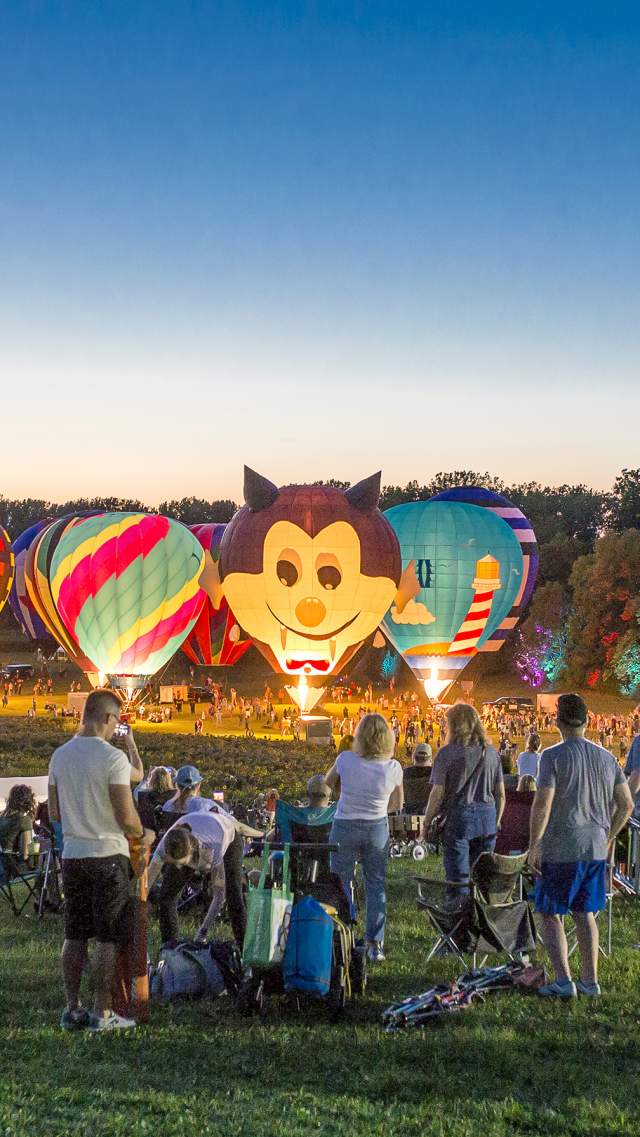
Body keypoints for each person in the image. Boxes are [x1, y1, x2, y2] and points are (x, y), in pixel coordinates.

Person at [48, 689, 153, 1032]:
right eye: (116, 722)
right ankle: (101, 1012)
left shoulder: (60, 757)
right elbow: (126, 815)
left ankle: (71, 1008)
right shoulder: (112, 759)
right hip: (108, 856)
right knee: (107, 937)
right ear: (108, 718)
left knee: (75, 934)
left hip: (73, 855)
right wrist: (143, 834)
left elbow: (54, 812)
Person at [529, 693, 633, 998]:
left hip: (561, 845)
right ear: (587, 721)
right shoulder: (607, 757)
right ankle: (590, 980)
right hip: (594, 847)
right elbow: (626, 804)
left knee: (551, 913)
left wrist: (534, 844)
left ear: (557, 721)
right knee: (585, 913)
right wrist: (609, 833)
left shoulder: (552, 756)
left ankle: (564, 980)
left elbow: (542, 804)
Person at [325, 713, 404, 963]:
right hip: (376, 827)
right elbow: (398, 803)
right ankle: (374, 944)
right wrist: (378, 806)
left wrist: (347, 794)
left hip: (345, 824)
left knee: (339, 881)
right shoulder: (393, 767)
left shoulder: (345, 759)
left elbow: (328, 784)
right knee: (375, 885)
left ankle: (340, 935)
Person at [147, 809, 261, 947]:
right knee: (167, 896)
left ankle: (245, 949)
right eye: (172, 862)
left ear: (192, 853)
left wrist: (202, 932)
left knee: (233, 895)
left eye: (181, 864)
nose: (177, 868)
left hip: (228, 838)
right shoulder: (165, 847)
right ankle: (170, 947)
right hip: (194, 829)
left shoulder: (213, 850)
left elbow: (219, 897)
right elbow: (147, 880)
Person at [422, 703, 505, 891]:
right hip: (487, 819)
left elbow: (437, 794)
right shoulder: (492, 753)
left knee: (458, 878)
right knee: (483, 878)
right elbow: (500, 794)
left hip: (459, 818)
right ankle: (481, 914)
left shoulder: (447, 754)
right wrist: (497, 821)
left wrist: (426, 823)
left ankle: (460, 914)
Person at [0, 783, 37, 861]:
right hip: (14, 867)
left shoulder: (1, 816)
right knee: (39, 844)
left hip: (2, 864)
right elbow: (25, 855)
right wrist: (36, 847)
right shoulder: (24, 820)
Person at [402, 742, 433, 813]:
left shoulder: (404, 774)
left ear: (413, 758)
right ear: (430, 759)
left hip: (408, 816)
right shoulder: (436, 775)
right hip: (429, 816)